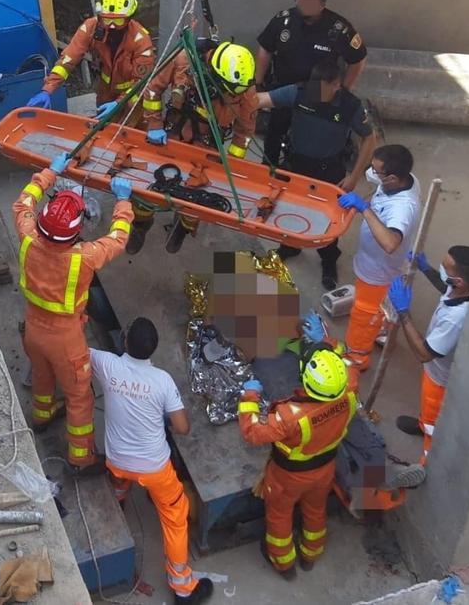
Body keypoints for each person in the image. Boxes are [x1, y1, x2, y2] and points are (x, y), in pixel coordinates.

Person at [13, 152, 134, 475]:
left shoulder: (27, 236)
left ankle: (42, 416)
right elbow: (119, 237)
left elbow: (23, 203)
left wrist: (48, 173)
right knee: (79, 396)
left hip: (34, 330)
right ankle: (81, 458)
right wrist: (123, 201)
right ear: (76, 230)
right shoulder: (84, 258)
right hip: (66, 339)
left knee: (41, 374)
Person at [91, 318, 213, 604]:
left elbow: (76, 351)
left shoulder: (106, 364)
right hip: (155, 470)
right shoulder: (162, 381)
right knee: (175, 517)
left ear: (124, 341)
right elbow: (182, 428)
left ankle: (119, 497)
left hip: (117, 460)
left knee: (122, 475)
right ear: (153, 350)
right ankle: (182, 587)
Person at [122, 41, 258, 254]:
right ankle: (141, 223)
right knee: (151, 182)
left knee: (198, 195)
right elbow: (152, 91)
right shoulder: (183, 61)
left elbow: (246, 129)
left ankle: (183, 227)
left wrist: (233, 161)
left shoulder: (243, 86)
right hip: (173, 133)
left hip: (207, 144)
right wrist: (154, 124)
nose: (232, 96)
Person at [255, 59, 379, 290]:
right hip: (297, 166)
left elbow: (370, 138)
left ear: (337, 85)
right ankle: (291, 245)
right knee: (290, 210)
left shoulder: (350, 106)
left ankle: (328, 258)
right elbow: (262, 100)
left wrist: (354, 176)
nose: (317, 92)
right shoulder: (299, 92)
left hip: (329, 170)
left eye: (324, 87)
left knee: (327, 219)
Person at [237, 345, 357, 579]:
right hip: (324, 471)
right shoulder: (350, 390)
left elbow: (251, 431)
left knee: (279, 517)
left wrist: (249, 396)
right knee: (315, 510)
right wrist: (327, 342)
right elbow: (349, 363)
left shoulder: (290, 416)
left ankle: (284, 565)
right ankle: (310, 555)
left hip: (288, 478)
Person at [255, 0, 368, 171]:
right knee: (274, 131)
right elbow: (265, 49)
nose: (303, 8)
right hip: (284, 87)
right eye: (300, 1)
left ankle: (302, 170)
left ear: (323, 5)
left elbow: (358, 60)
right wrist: (257, 83)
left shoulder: (339, 29)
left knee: (310, 136)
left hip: (317, 94)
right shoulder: (283, 21)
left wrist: (344, 89)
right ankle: (269, 169)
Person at [387, 245, 469, 463]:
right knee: (427, 410)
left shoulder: (456, 319)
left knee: (434, 421)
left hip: (439, 380)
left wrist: (403, 312)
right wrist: (425, 268)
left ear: (458, 281)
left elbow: (424, 353)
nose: (441, 269)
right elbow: (445, 286)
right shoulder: (462, 289)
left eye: (445, 268)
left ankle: (426, 461)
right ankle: (422, 424)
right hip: (433, 372)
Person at [336, 145, 420, 371]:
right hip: (373, 262)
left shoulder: (403, 208)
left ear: (392, 178)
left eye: (376, 171)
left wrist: (365, 209)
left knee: (362, 314)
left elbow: (391, 243)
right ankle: (381, 327)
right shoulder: (405, 179)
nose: (370, 174)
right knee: (379, 307)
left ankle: (357, 357)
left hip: (378, 270)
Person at [26, 0, 156, 122]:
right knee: (103, 128)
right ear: (100, 17)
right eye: (107, 19)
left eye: (118, 20)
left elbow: (142, 82)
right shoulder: (91, 28)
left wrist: (119, 103)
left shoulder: (141, 41)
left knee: (130, 133)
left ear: (129, 18)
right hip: (105, 91)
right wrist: (48, 89)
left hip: (133, 94)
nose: (112, 25)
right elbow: (69, 58)